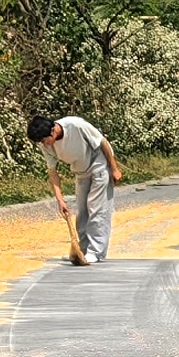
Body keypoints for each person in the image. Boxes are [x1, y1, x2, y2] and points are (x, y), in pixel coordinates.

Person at [29, 110, 122, 266]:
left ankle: (96, 252)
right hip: (81, 171)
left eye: (45, 140)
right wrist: (60, 200)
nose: (45, 144)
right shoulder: (45, 145)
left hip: (99, 166)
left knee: (97, 209)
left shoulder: (75, 125)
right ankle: (82, 250)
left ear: (53, 130)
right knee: (82, 211)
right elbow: (53, 173)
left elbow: (103, 142)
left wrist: (114, 169)